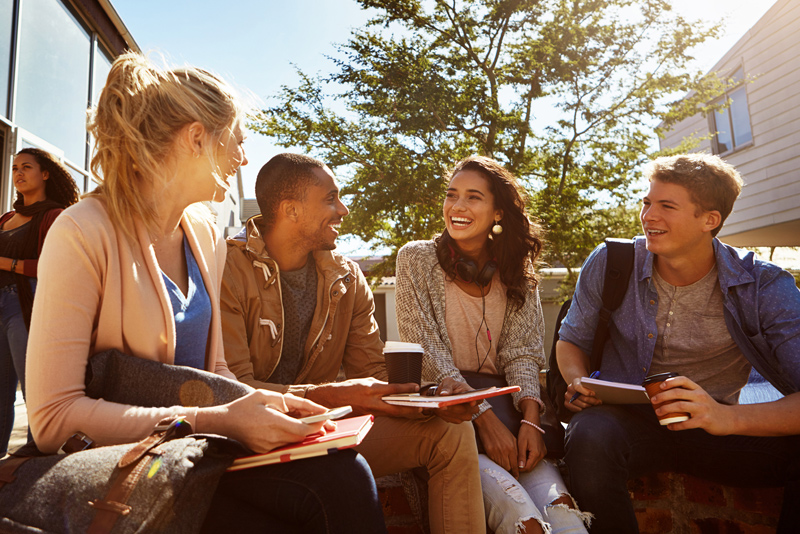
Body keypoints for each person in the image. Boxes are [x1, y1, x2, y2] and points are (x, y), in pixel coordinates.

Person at [25, 53, 386, 534]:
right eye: (236, 141)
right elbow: (53, 420)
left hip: (191, 448)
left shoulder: (203, 233)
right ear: (196, 138)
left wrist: (276, 404)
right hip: (123, 468)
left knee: (342, 474)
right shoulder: (81, 232)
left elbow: (212, 374)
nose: (242, 158)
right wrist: (219, 419)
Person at [220, 152, 486, 534]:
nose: (343, 209)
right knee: (342, 474)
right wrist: (331, 396)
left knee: (451, 432)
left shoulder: (346, 278)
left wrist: (430, 397)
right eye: (330, 198)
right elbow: (234, 390)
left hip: (322, 430)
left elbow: (372, 377)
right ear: (291, 210)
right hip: (250, 439)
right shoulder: (228, 268)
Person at [557, 153, 800, 533]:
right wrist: (578, 380)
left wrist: (726, 418)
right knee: (588, 436)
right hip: (626, 425)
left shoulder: (765, 286)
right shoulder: (611, 261)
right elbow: (571, 340)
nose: (649, 216)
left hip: (717, 428)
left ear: (710, 220)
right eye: (647, 203)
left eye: (666, 206)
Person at [394, 155, 591, 534]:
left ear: (498, 212)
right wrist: (483, 418)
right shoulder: (416, 259)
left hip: (511, 421)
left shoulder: (519, 272)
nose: (458, 206)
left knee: (565, 518)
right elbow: (427, 353)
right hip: (453, 426)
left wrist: (531, 423)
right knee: (525, 523)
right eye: (452, 195)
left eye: (473, 197)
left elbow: (523, 355)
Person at [0, 148, 79, 457]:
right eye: (15, 168)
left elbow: (52, 265)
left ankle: (37, 458)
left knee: (34, 386)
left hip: (26, 308)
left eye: (26, 167)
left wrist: (5, 262)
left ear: (45, 173)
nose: (18, 173)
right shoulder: (6, 217)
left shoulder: (55, 216)